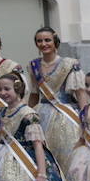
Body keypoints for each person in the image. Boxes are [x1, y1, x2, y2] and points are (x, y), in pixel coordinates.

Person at [26, 26, 85, 164]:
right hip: (42, 113)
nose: (44, 44)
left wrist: (85, 117)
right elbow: (34, 94)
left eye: (47, 40)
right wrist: (27, 114)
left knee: (68, 154)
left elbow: (80, 93)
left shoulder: (69, 64)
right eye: (39, 41)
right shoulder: (33, 65)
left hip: (65, 116)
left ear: (55, 42)